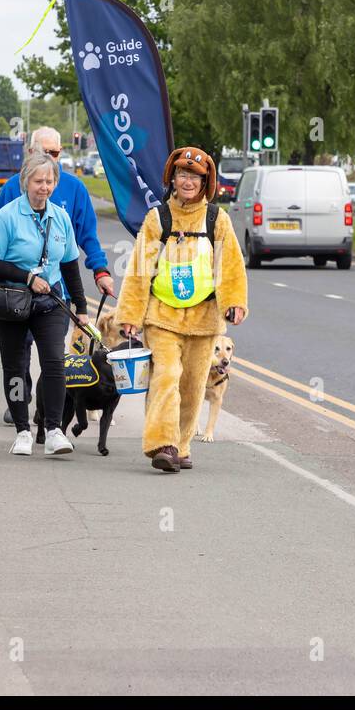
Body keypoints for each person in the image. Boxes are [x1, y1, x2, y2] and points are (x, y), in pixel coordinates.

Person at [116, 147, 248, 473]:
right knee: (167, 377)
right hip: (162, 316)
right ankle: (163, 444)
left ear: (206, 183)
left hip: (204, 319)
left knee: (192, 386)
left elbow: (230, 266)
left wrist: (234, 303)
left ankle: (183, 444)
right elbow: (138, 271)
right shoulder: (157, 219)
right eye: (183, 175)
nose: (188, 182)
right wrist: (130, 316)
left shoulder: (217, 220)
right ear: (172, 178)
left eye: (195, 177)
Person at [0, 126, 114, 424]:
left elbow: (87, 237)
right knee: (19, 354)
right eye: (45, 152)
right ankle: (21, 399)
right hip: (14, 291)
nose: (52, 158)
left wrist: (100, 270)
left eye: (56, 152)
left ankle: (50, 419)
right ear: (31, 154)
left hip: (54, 292)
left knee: (53, 356)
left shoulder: (75, 189)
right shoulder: (13, 188)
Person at [0, 151, 90, 456]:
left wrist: (81, 308)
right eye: (38, 180)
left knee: (55, 362)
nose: (44, 186)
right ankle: (22, 430)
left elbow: (70, 265)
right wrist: (27, 277)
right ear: (24, 182)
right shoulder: (7, 217)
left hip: (50, 301)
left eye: (49, 181)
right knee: (16, 367)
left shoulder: (61, 217)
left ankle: (54, 429)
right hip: (11, 302)